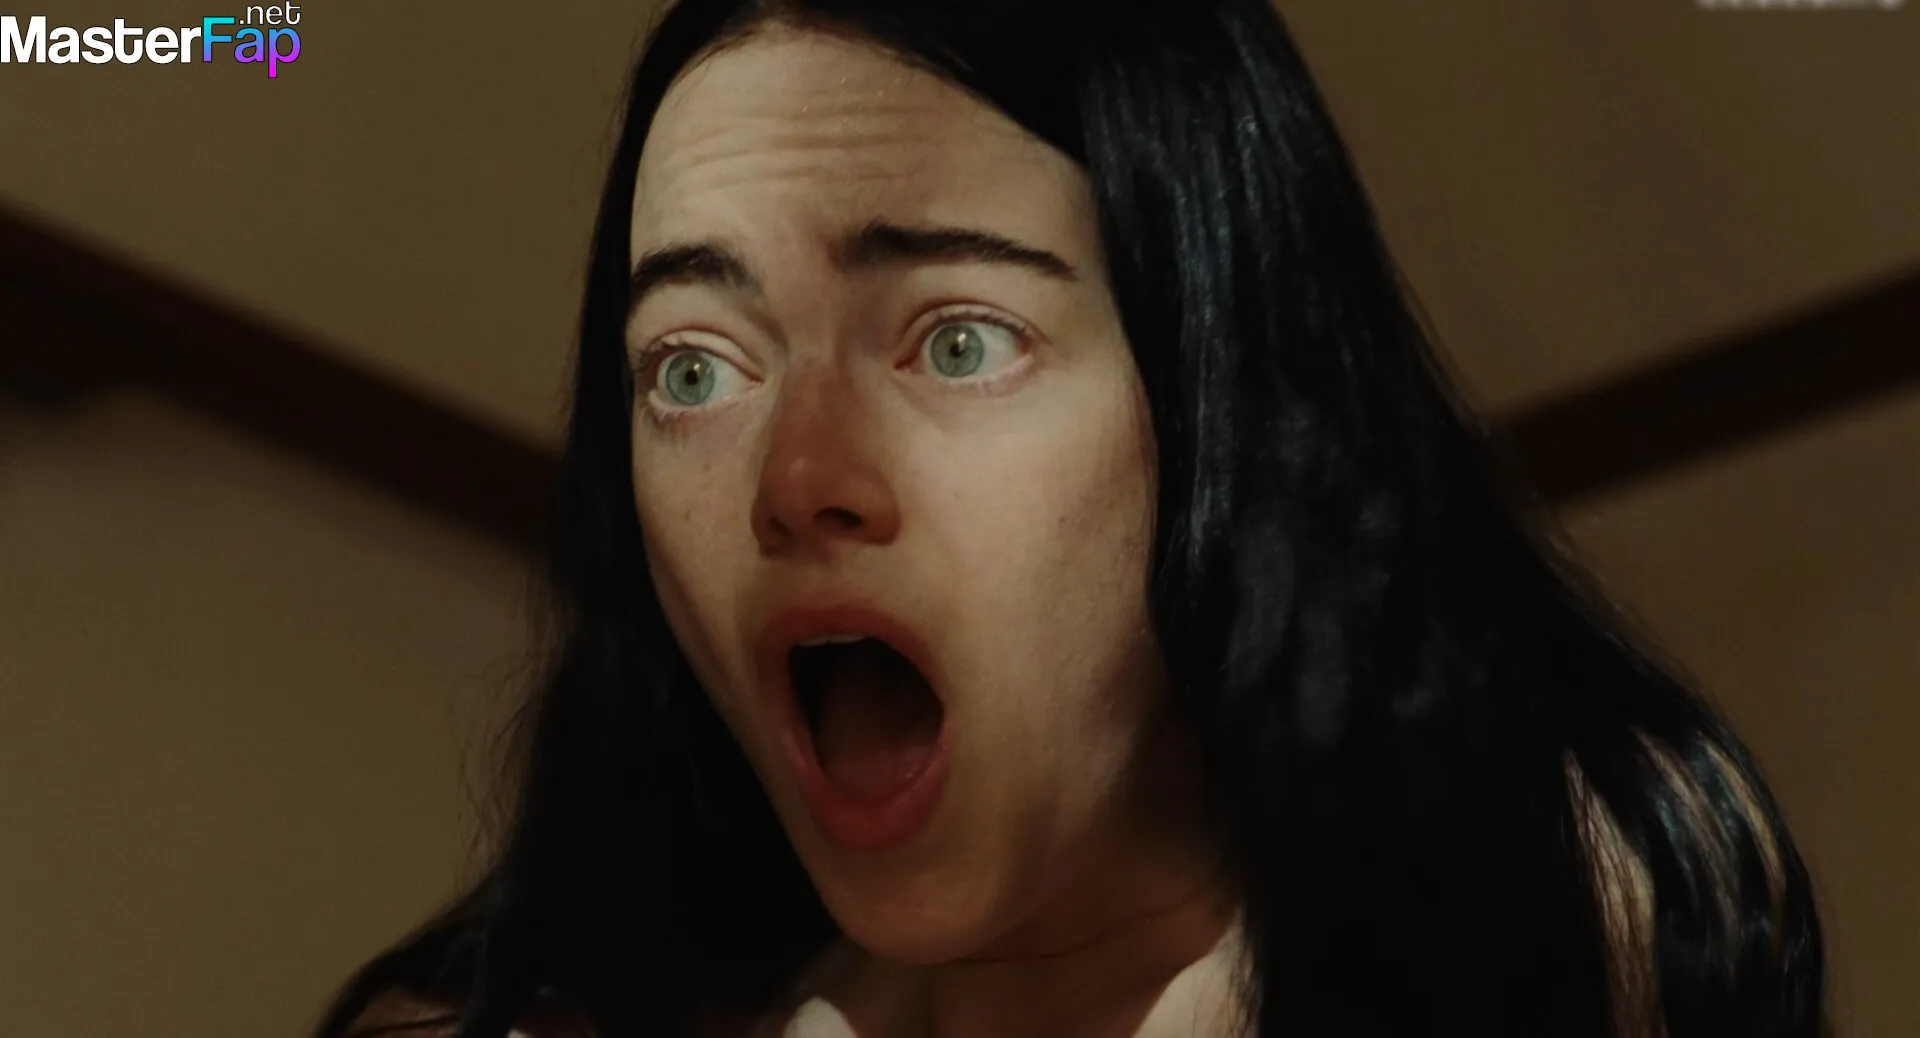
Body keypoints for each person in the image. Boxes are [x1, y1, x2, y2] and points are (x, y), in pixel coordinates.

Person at [315, 1, 1825, 1036]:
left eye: (958, 342)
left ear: (1214, 389)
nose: (796, 476)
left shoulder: (1554, 896)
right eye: (695, 370)